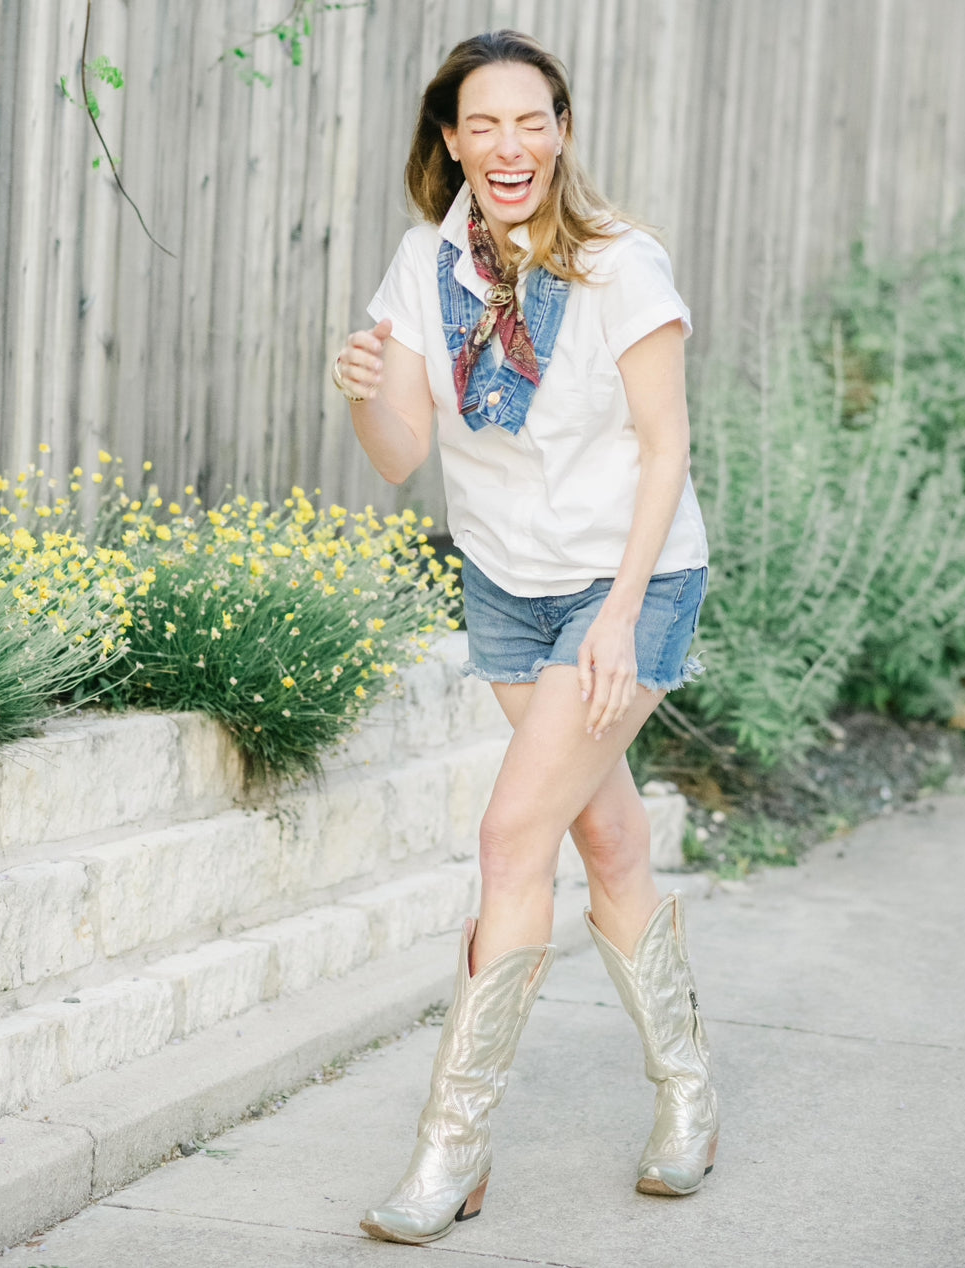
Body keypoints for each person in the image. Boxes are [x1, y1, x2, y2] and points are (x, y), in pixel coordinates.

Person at [332, 29, 717, 1246]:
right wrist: (364, 390)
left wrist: (616, 614)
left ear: (560, 130)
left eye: (530, 121)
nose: (509, 146)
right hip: (504, 584)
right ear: (451, 139)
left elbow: (669, 449)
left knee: (512, 833)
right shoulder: (424, 266)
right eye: (482, 125)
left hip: (629, 580)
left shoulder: (619, 264)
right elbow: (400, 457)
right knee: (603, 831)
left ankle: (452, 1149)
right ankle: (692, 1095)